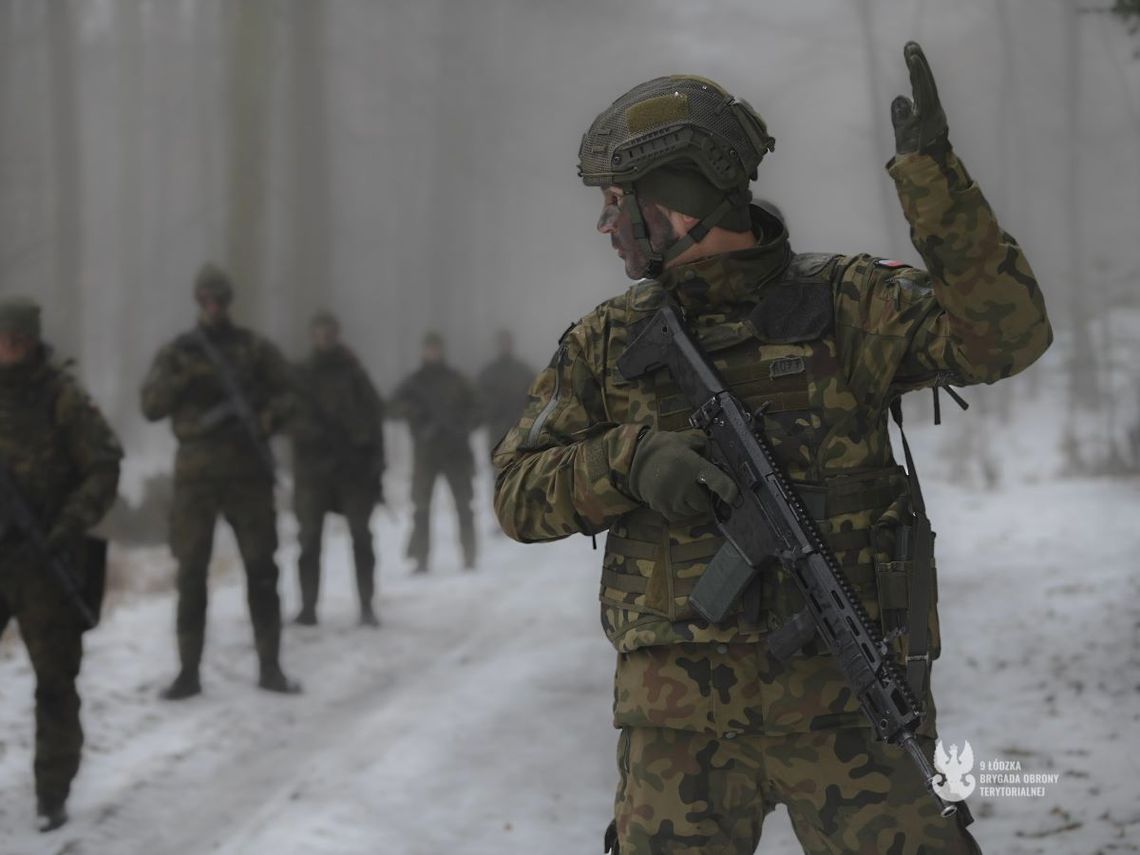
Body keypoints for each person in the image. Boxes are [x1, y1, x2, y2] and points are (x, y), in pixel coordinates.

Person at [493, 45, 1051, 855]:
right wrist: (628, 461)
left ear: (679, 199)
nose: (606, 223)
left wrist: (934, 181)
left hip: (848, 709)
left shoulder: (851, 304)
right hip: (678, 728)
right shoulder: (607, 343)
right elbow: (516, 490)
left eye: (621, 201)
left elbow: (1010, 335)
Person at [141, 263, 300, 699]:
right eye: (206, 299)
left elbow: (292, 393)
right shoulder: (179, 352)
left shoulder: (253, 349)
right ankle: (187, 672)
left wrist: (266, 419)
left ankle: (270, 667)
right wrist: (184, 379)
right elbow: (151, 405)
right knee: (191, 574)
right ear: (198, 301)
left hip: (247, 476)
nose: (213, 306)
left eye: (220, 299)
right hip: (195, 480)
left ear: (229, 302)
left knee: (261, 570)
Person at [0, 297, 122, 831]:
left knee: (54, 682)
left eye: (15, 340)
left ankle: (53, 792)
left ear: (29, 341)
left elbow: (103, 465)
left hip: (45, 562)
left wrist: (68, 525)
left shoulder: (61, 398)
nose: (6, 349)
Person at [290, 310, 386, 627]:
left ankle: (367, 606)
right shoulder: (301, 374)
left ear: (337, 333)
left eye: (329, 331)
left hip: (351, 471)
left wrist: (375, 466)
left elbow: (374, 419)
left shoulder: (353, 372)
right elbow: (289, 419)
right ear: (312, 335)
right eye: (319, 331)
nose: (325, 336)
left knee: (361, 536)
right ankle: (307, 608)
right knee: (309, 541)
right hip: (313, 472)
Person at [393, 331, 478, 573]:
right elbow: (393, 406)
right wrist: (415, 416)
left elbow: (478, 408)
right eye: (429, 348)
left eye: (436, 348)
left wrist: (462, 427)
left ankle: (469, 555)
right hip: (426, 454)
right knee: (421, 508)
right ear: (423, 351)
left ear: (442, 351)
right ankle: (421, 558)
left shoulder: (457, 380)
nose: (433, 353)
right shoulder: (414, 382)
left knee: (464, 505)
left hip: (455, 451)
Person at [477, 329, 536, 457]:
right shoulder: (488, 373)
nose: (505, 346)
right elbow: (479, 401)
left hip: (521, 431)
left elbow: (537, 398)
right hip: (497, 432)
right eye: (502, 343)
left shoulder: (524, 372)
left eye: (507, 342)